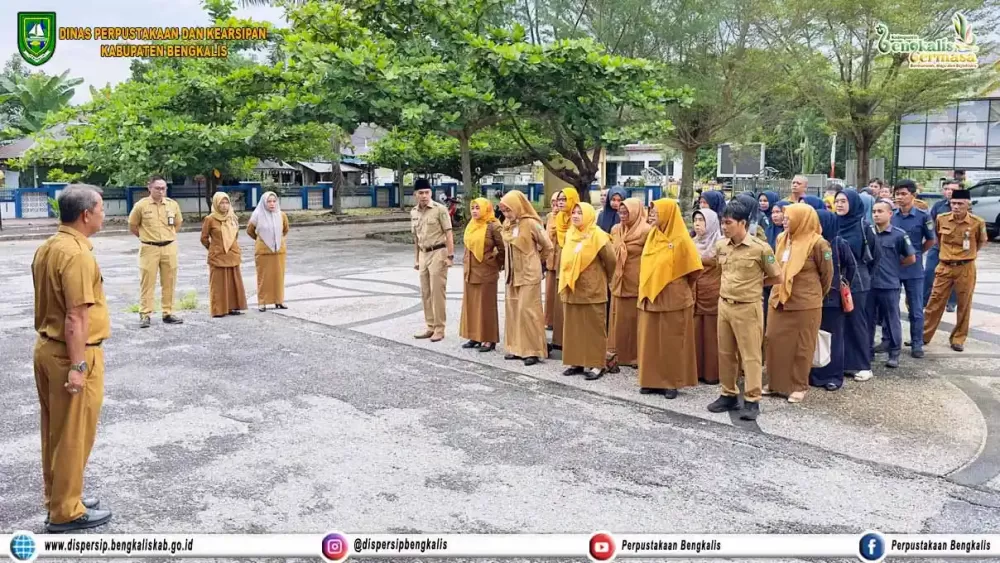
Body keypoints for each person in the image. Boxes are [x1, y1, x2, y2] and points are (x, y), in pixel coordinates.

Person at [32, 184, 113, 532]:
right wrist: (79, 367)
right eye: (101, 209)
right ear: (86, 214)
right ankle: (65, 510)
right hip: (72, 354)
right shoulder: (78, 255)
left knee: (56, 432)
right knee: (73, 435)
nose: (103, 214)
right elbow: (76, 317)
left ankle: (62, 496)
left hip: (47, 349)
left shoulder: (49, 247)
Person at [707, 199, 781, 420]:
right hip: (725, 305)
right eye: (723, 222)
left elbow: (777, 276)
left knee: (750, 355)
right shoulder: (721, 246)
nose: (724, 227)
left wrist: (755, 285)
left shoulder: (760, 248)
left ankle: (752, 399)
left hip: (748, 307)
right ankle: (728, 393)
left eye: (729, 223)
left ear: (742, 223)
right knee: (725, 353)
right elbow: (720, 270)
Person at [764, 204, 833, 403]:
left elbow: (827, 275)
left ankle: (798, 386)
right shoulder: (782, 238)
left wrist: (814, 294)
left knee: (802, 347)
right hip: (779, 299)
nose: (784, 221)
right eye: (785, 217)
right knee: (773, 340)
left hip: (805, 303)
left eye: (789, 218)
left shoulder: (819, 243)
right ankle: (775, 383)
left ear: (802, 220)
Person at [637, 198, 703, 398]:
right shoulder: (653, 235)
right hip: (651, 296)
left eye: (656, 212)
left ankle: (671, 382)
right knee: (650, 340)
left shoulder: (681, 239)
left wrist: (676, 284)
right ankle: (651, 380)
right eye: (651, 212)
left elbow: (694, 270)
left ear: (667, 214)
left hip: (674, 298)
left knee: (671, 341)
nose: (651, 215)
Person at [923, 189, 986, 352]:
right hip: (945, 265)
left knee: (964, 304)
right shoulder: (941, 218)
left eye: (960, 203)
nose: (956, 206)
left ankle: (958, 338)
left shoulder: (977, 222)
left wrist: (967, 256)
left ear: (968, 204)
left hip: (965, 267)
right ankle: (923, 335)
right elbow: (938, 238)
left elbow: (980, 242)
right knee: (934, 301)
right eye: (953, 203)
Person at [559, 202, 617, 380]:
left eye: (580, 213)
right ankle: (576, 361)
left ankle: (597, 364)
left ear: (589, 215)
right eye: (574, 212)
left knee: (594, 328)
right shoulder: (570, 233)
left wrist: (603, 278)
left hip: (592, 288)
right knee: (574, 327)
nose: (576, 216)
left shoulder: (598, 235)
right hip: (572, 288)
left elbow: (611, 260)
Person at [500, 190, 553, 365]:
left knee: (528, 311)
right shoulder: (507, 224)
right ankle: (516, 348)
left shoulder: (530, 223)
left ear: (517, 206)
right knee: (514, 311)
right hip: (512, 274)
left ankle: (533, 350)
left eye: (509, 210)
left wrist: (537, 261)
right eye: (504, 211)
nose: (507, 214)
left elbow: (548, 246)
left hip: (529, 274)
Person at [834, 189, 881, 381]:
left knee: (857, 322)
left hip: (857, 281)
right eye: (837, 201)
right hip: (836, 278)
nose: (839, 204)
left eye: (844, 201)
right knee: (839, 323)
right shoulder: (833, 223)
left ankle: (862, 365)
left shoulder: (863, 226)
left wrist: (864, 274)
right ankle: (843, 363)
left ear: (853, 203)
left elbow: (876, 255)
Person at [809, 210, 857, 391]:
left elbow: (851, 266)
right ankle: (814, 374)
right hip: (812, 298)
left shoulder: (838, 243)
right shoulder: (810, 242)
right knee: (813, 336)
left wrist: (842, 284)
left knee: (834, 338)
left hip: (833, 300)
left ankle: (832, 376)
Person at [128, 175, 184, 328]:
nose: (161, 191)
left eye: (163, 188)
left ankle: (168, 312)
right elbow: (133, 225)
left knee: (169, 281)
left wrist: (168, 236)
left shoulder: (172, 205)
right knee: (147, 282)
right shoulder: (141, 205)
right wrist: (145, 237)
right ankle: (145, 314)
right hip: (149, 247)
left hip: (169, 247)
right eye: (157, 188)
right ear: (149, 188)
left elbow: (178, 223)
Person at [889, 180, 935, 358]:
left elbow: (930, 240)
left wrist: (916, 254)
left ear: (913, 195)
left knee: (916, 309)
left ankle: (917, 343)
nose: (899, 197)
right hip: (893, 267)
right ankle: (890, 340)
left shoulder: (923, 216)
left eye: (903, 194)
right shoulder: (891, 215)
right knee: (891, 307)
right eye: (897, 194)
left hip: (914, 269)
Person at [869, 200, 916, 368]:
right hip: (869, 285)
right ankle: (867, 351)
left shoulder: (899, 235)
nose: (876, 214)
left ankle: (894, 352)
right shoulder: (868, 233)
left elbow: (911, 258)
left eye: (880, 211)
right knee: (868, 320)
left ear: (890, 214)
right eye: (874, 211)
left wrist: (894, 266)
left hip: (889, 284)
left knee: (892, 319)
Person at [606, 198, 650, 371]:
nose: (623, 216)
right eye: (621, 212)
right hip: (618, 280)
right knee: (617, 318)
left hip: (635, 280)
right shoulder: (616, 229)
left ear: (636, 212)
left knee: (633, 319)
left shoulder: (646, 230)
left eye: (626, 213)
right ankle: (616, 352)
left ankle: (634, 355)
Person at [410, 178, 454, 342]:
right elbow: (416, 238)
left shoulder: (439, 209)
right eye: (420, 193)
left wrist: (450, 256)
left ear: (431, 193)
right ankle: (430, 326)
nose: (424, 196)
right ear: (415, 194)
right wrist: (416, 259)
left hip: (438, 252)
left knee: (437, 293)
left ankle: (440, 328)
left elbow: (449, 233)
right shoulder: (414, 212)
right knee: (425, 292)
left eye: (427, 192)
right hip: (423, 254)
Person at [459, 197, 505, 352]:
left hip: (486, 272)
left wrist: (495, 262)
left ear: (486, 208)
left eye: (478, 208)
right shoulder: (472, 224)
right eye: (473, 208)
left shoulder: (493, 225)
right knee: (472, 305)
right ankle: (475, 336)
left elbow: (503, 248)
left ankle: (489, 339)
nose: (474, 211)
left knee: (486, 306)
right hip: (470, 271)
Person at [201, 192, 248, 318]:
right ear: (216, 204)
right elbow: (204, 238)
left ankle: (232, 307)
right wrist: (213, 248)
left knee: (233, 282)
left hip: (232, 255)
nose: (224, 205)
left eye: (227, 202)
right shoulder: (210, 219)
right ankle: (218, 309)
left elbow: (235, 236)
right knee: (218, 284)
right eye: (221, 203)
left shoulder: (233, 218)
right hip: (218, 256)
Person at [692, 208, 722, 385]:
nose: (697, 224)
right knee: (695, 332)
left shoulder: (720, 244)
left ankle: (712, 373)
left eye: (701, 220)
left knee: (711, 334)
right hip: (695, 292)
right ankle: (695, 371)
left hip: (713, 293)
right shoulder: (691, 242)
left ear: (710, 223)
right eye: (695, 220)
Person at [246, 192, 289, 312]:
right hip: (263, 252)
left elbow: (285, 229)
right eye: (269, 201)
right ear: (264, 202)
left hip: (278, 251)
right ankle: (262, 302)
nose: (272, 204)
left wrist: (277, 240)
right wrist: (261, 240)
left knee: (278, 277)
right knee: (264, 278)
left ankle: (279, 300)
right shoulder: (257, 215)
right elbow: (250, 230)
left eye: (274, 201)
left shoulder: (281, 215)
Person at [550, 188, 580, 352]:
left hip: (574, 263)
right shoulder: (558, 217)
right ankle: (559, 339)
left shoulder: (578, 219)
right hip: (560, 261)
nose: (560, 202)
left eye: (564, 199)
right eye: (559, 199)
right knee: (559, 301)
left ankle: (571, 340)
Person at [925, 180, 960, 313]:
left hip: (955, 248)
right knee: (929, 272)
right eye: (947, 189)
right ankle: (925, 300)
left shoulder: (965, 207)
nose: (949, 192)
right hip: (937, 245)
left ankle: (951, 302)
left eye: (953, 189)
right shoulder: (938, 206)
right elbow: (930, 222)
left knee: (954, 276)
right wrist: (932, 237)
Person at [543, 191, 562, 329]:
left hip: (562, 259)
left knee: (559, 293)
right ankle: (549, 320)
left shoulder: (566, 218)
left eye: (558, 203)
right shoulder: (549, 217)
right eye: (553, 203)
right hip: (551, 259)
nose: (555, 207)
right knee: (549, 293)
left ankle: (560, 321)